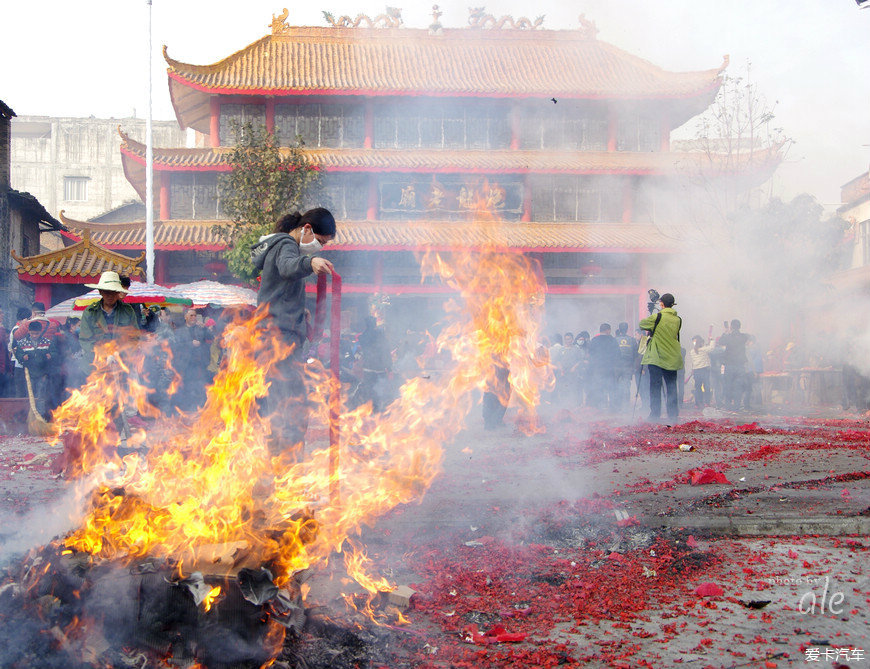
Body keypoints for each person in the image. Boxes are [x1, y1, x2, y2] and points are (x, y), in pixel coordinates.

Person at [252, 207, 336, 458]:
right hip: (277, 337)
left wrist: (301, 314)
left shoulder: (283, 245)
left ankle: (283, 461)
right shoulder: (286, 244)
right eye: (320, 242)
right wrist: (310, 262)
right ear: (307, 228)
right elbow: (289, 266)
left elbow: (283, 287)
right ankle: (283, 463)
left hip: (279, 333)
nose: (319, 248)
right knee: (288, 401)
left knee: (286, 399)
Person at [78, 271, 141, 368]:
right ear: (100, 291)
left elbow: (134, 338)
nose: (110, 296)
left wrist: (119, 354)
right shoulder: (90, 312)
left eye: (113, 292)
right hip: (95, 366)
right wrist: (104, 355)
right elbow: (86, 340)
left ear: (118, 292)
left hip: (122, 366)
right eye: (106, 292)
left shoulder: (128, 311)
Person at [638, 292, 683, 424]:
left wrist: (652, 312)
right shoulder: (678, 319)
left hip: (656, 358)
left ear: (662, 303)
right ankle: (673, 415)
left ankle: (655, 415)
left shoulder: (657, 316)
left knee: (655, 387)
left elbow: (642, 324)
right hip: (672, 357)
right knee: (671, 387)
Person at [587, 323, 620, 410]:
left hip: (598, 369)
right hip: (610, 368)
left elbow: (590, 355)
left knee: (599, 387)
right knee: (611, 388)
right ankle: (613, 408)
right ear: (607, 330)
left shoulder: (594, 340)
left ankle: (600, 407)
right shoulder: (612, 340)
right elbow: (618, 354)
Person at [718, 319, 750, 410]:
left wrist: (726, 332)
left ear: (731, 327)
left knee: (728, 385)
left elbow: (720, 341)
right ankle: (737, 406)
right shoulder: (743, 337)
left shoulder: (728, 336)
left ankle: (728, 406)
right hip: (740, 366)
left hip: (730, 365)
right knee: (738, 386)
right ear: (739, 327)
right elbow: (747, 338)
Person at [686, 334, 715, 408]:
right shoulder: (703, 349)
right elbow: (712, 348)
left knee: (698, 387)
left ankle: (698, 403)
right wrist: (711, 340)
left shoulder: (692, 351)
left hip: (696, 371)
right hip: (704, 370)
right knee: (707, 387)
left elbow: (694, 362)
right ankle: (707, 402)